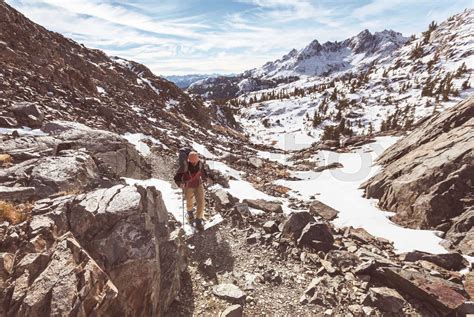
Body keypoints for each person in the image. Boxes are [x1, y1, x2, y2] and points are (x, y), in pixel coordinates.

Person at [174, 151, 208, 231]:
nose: (194, 163)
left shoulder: (200, 163)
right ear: (189, 160)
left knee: (201, 202)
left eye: (195, 161)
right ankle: (190, 214)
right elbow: (177, 177)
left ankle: (198, 220)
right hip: (188, 186)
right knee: (189, 202)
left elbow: (203, 172)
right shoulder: (185, 166)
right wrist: (180, 184)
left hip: (198, 184)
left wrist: (205, 178)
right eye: (192, 162)